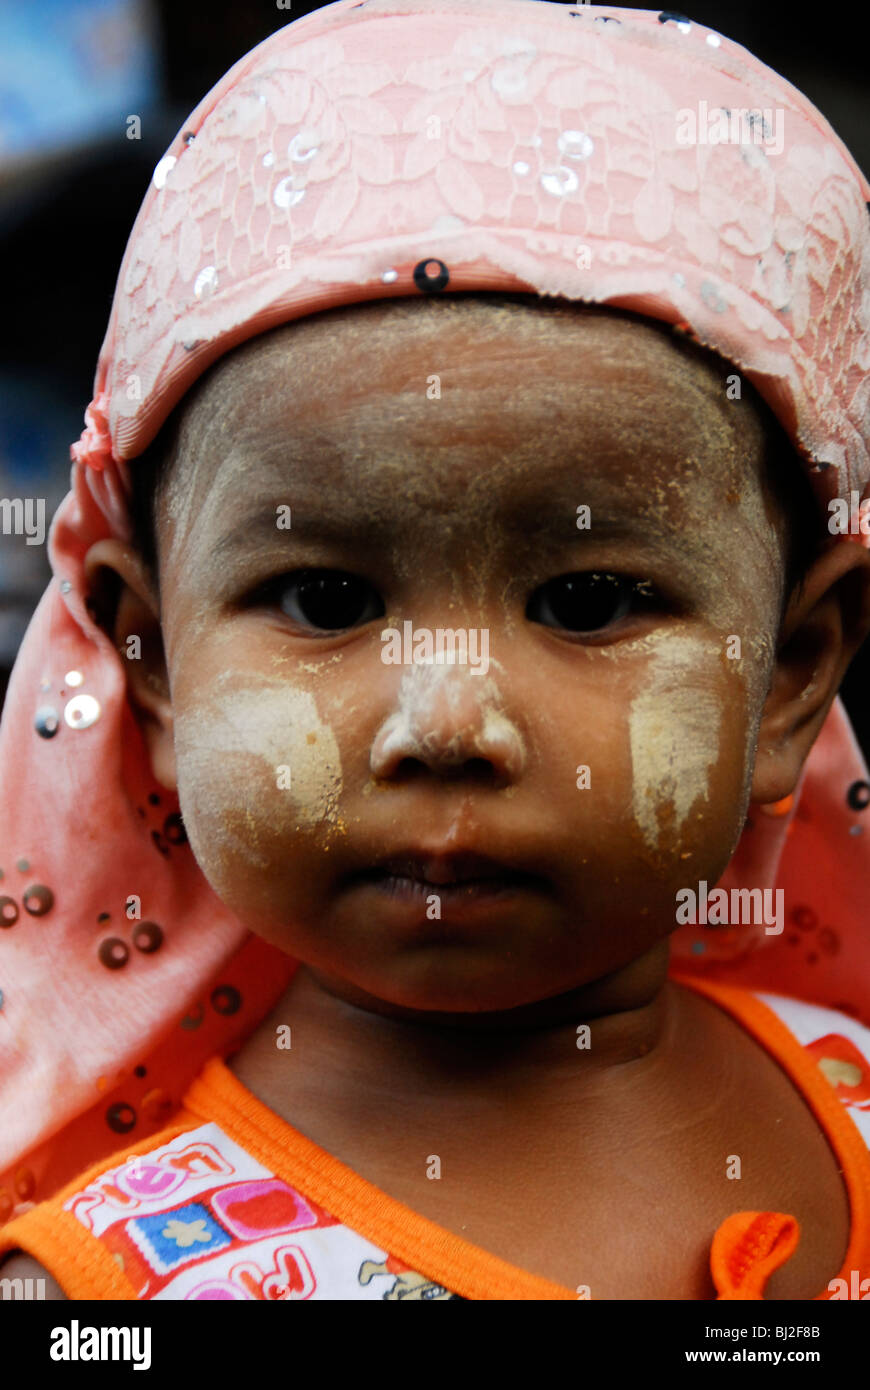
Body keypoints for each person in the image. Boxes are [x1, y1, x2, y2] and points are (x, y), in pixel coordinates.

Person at [1, 0, 869, 1301]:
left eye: (583, 602)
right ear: (154, 659)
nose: (447, 722)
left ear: (791, 672)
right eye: (325, 599)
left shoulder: (849, 1100)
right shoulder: (109, 1288)